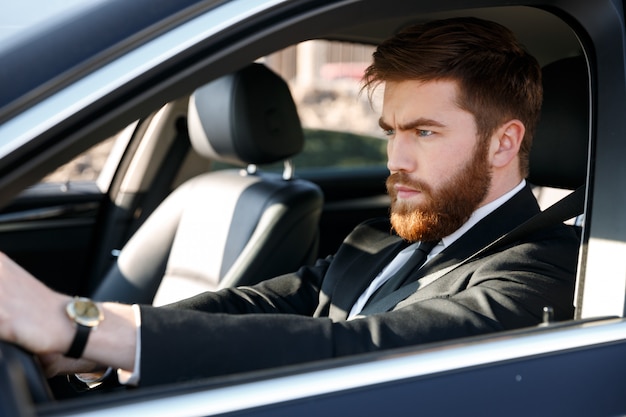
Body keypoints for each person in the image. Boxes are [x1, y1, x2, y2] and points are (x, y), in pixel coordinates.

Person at [0, 17, 579, 388]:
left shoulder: (546, 271)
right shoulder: (380, 239)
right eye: (391, 131)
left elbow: (364, 350)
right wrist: (96, 347)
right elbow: (257, 305)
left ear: (504, 143)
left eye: (424, 132)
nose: (395, 159)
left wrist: (82, 328)